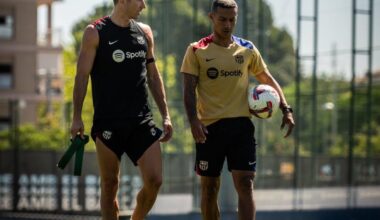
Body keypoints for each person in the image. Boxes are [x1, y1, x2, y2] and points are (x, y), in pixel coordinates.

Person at [180, 0, 295, 219]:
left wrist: (286, 109)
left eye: (232, 20)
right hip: (209, 130)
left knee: (245, 183)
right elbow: (188, 91)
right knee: (209, 188)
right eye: (222, 19)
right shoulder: (196, 50)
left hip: (241, 127)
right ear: (211, 17)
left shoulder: (248, 49)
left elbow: (267, 79)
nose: (227, 24)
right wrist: (193, 121)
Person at [70, 0, 173, 219]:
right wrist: (76, 118)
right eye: (140, 0)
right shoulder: (94, 32)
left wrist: (166, 115)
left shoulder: (144, 32)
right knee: (109, 185)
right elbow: (81, 77)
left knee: (155, 180)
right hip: (108, 122)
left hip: (141, 121)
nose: (144, 5)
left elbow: (153, 77)